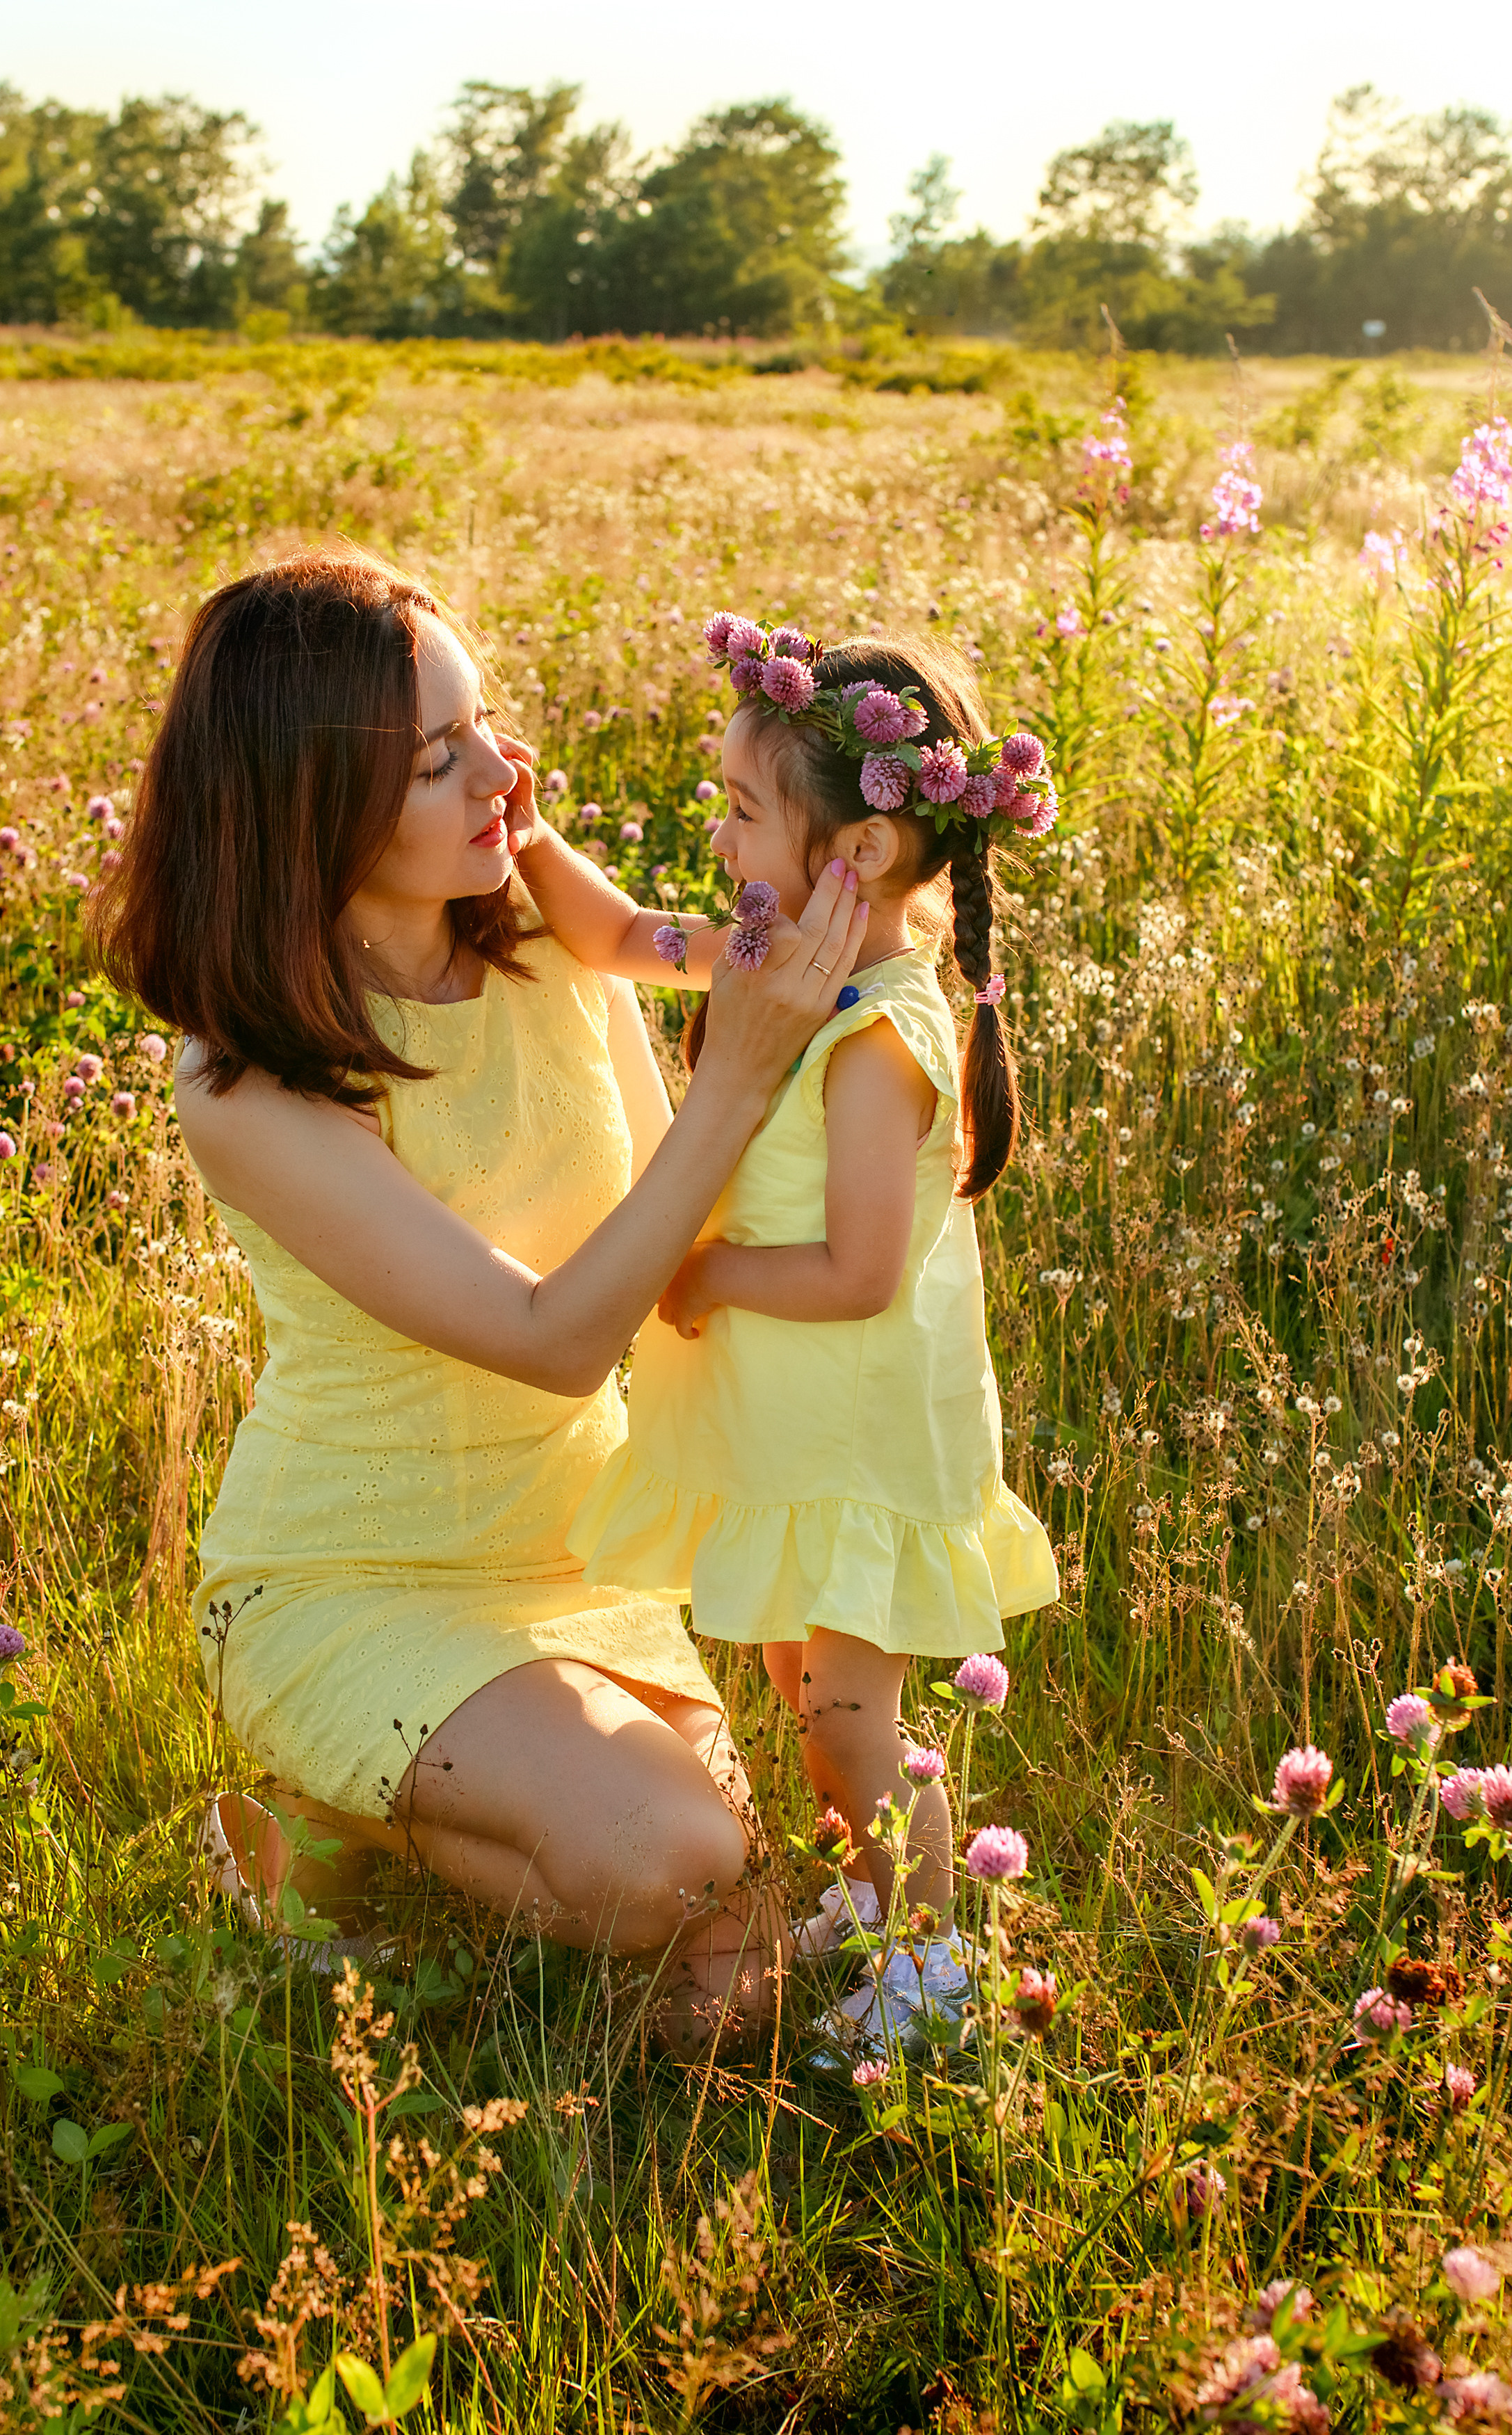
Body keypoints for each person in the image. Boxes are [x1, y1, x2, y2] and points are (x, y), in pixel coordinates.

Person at [87, 546, 867, 2054]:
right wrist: (740, 1064)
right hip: (351, 1579)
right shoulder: (249, 1080)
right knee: (670, 1859)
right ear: (310, 800)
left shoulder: (543, 955)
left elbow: (666, 1259)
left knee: (735, 1977)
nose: (503, 773)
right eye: (439, 755)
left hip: (580, 1563)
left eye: (488, 723)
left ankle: (367, 1863)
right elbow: (554, 1340)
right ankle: (321, 1831)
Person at [513, 616, 1059, 2045]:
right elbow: (618, 938)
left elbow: (865, 1271)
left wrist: (712, 1275)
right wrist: (526, 835)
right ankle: (877, 1892)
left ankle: (936, 1973)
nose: (721, 833)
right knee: (794, 1676)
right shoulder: (774, 952)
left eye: (745, 809)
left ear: (859, 852)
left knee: (848, 1718)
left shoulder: (884, 1035)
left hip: (854, 1425)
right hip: (780, 1421)